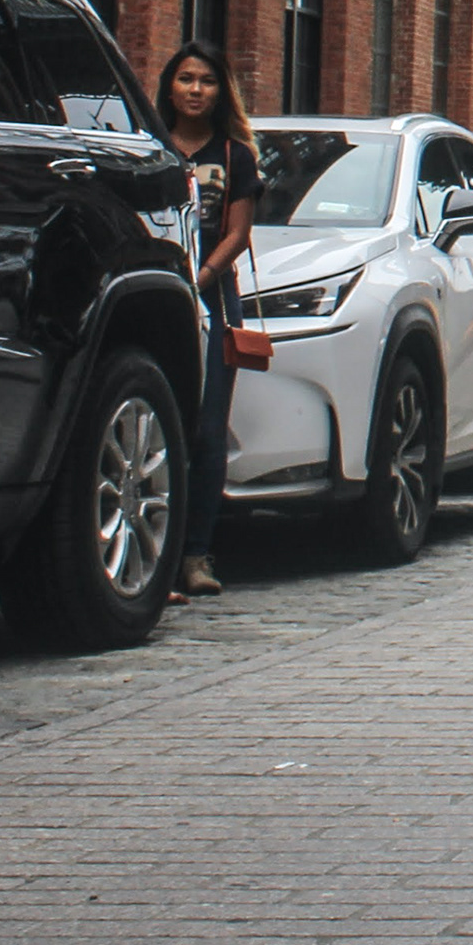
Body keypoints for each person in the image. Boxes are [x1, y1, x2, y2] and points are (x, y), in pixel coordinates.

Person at [158, 40, 258, 603]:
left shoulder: (233, 154)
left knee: (206, 429)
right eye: (186, 79)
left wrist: (197, 280)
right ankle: (160, 560)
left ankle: (195, 555)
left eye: (208, 81)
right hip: (155, 300)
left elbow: (238, 234)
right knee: (160, 423)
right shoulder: (148, 146)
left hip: (213, 301)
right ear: (169, 86)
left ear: (221, 92)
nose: (196, 90)